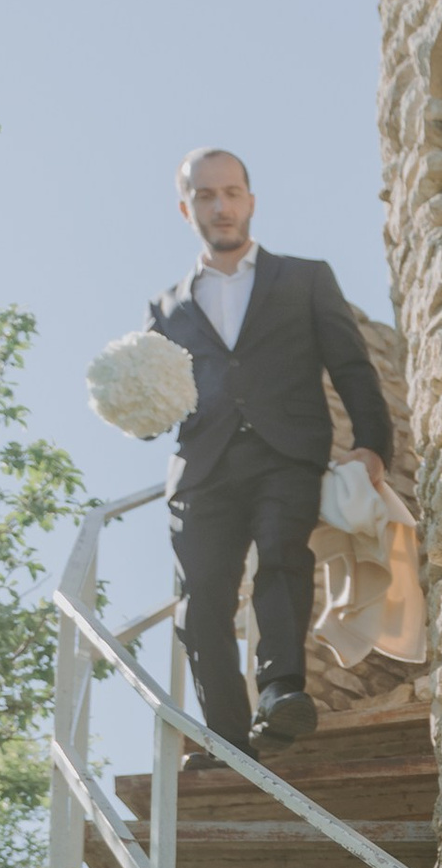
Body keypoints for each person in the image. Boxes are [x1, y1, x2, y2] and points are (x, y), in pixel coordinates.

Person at [151, 147, 397, 757]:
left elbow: (351, 366)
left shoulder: (306, 278)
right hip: (201, 469)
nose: (221, 206)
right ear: (187, 208)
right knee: (202, 599)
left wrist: (371, 444)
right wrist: (133, 412)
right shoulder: (164, 309)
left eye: (231, 192)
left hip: (285, 452)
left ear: (251, 201)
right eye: (206, 196)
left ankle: (282, 690)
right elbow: (153, 401)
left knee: (283, 560)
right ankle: (227, 736)